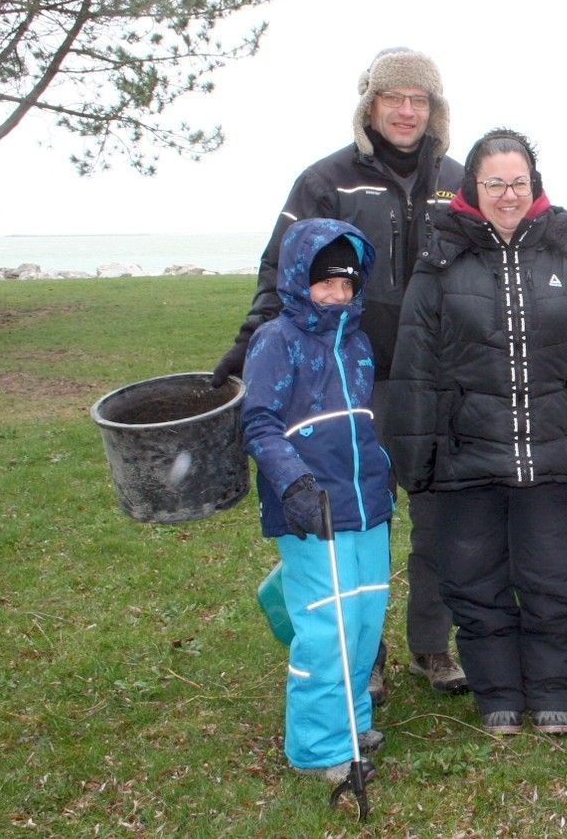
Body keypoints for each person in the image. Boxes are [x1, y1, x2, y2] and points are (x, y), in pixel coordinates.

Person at [213, 48, 469, 700]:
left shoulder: (460, 179)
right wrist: (245, 348)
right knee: (360, 520)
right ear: (370, 105)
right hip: (348, 386)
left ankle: (432, 645)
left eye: (420, 99)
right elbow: (283, 268)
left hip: (441, 382)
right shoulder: (326, 180)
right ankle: (366, 648)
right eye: (393, 97)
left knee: (441, 521)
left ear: (435, 109)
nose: (407, 111)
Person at [383, 128, 567, 736]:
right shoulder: (442, 262)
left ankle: (552, 690)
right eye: (495, 183)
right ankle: (496, 692)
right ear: (473, 187)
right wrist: (414, 462)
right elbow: (413, 368)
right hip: (468, 460)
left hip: (553, 457)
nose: (508, 194)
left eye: (518, 182)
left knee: (558, 578)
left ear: (535, 185)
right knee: (475, 581)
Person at [241, 218, 392, 783]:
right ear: (299, 279)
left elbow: (360, 421)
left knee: (363, 622)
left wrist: (382, 472)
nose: (335, 295)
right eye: (324, 282)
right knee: (326, 628)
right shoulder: (276, 342)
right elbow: (258, 423)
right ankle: (319, 748)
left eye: (346, 285)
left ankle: (352, 723)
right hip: (311, 508)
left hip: (366, 506)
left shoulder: (356, 342)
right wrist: (294, 484)